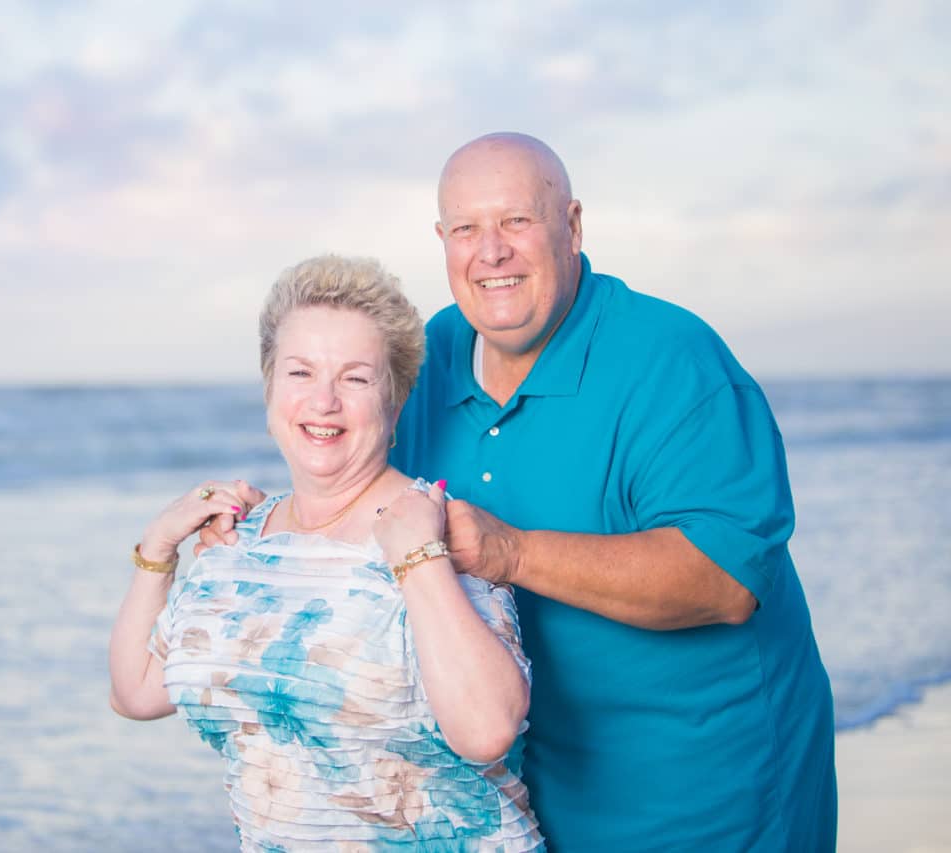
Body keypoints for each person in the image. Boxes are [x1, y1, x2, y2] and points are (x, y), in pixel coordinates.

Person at [202, 134, 837, 852]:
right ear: (442, 241)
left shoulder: (672, 361)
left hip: (707, 789)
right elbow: (348, 481)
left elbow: (724, 581)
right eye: (467, 228)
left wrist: (513, 551)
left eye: (516, 221)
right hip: (521, 794)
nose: (491, 251)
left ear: (571, 226)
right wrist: (248, 532)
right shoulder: (427, 356)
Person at [109, 255, 547, 850]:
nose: (324, 401)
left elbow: (488, 730)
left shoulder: (435, 530)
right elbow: (136, 691)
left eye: (356, 378)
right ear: (269, 389)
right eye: (300, 373)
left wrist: (418, 558)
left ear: (394, 404)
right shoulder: (237, 544)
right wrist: (159, 547)